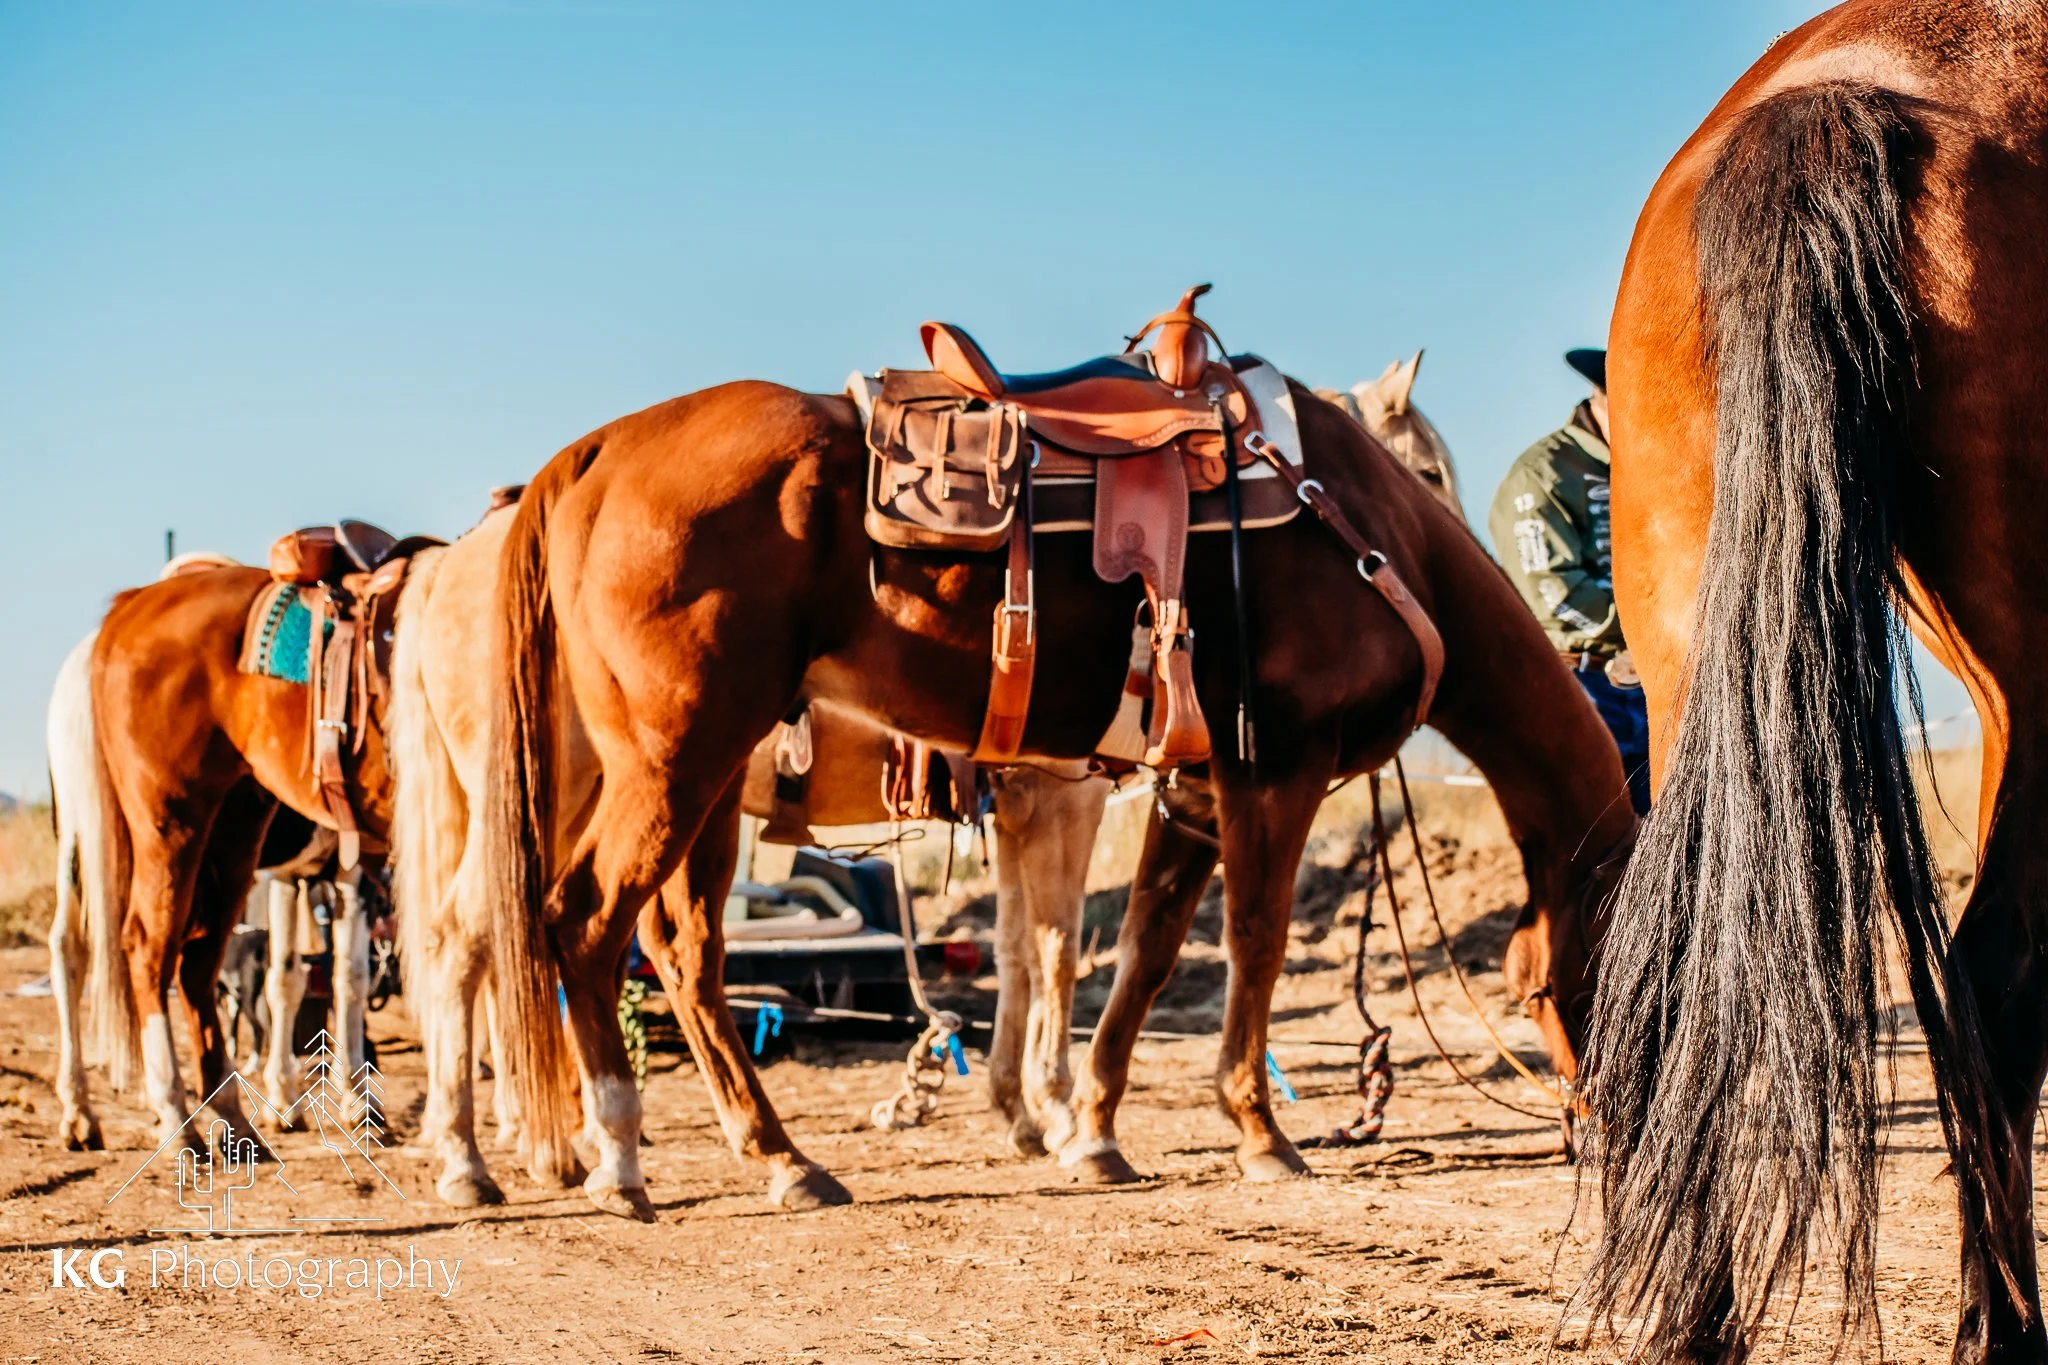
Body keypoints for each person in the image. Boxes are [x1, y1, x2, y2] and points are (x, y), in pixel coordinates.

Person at [1488, 348, 1650, 813]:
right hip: (1586, 686)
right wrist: (1663, 630)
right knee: (1601, 844)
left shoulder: (1646, 466)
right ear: (1604, 399)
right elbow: (1554, 593)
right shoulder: (1541, 474)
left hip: (1653, 683)